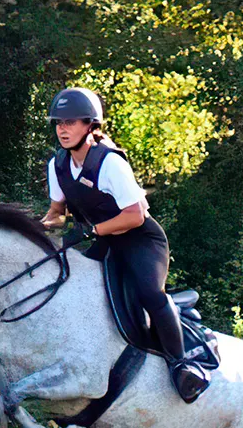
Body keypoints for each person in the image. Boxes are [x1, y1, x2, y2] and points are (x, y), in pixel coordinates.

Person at [39, 87, 209, 403]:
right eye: (59, 123)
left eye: (71, 122)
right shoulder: (57, 166)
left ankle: (182, 365)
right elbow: (56, 214)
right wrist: (38, 231)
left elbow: (135, 215)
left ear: (90, 125)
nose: (63, 129)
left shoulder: (109, 163)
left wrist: (93, 230)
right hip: (105, 242)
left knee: (149, 293)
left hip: (141, 241)